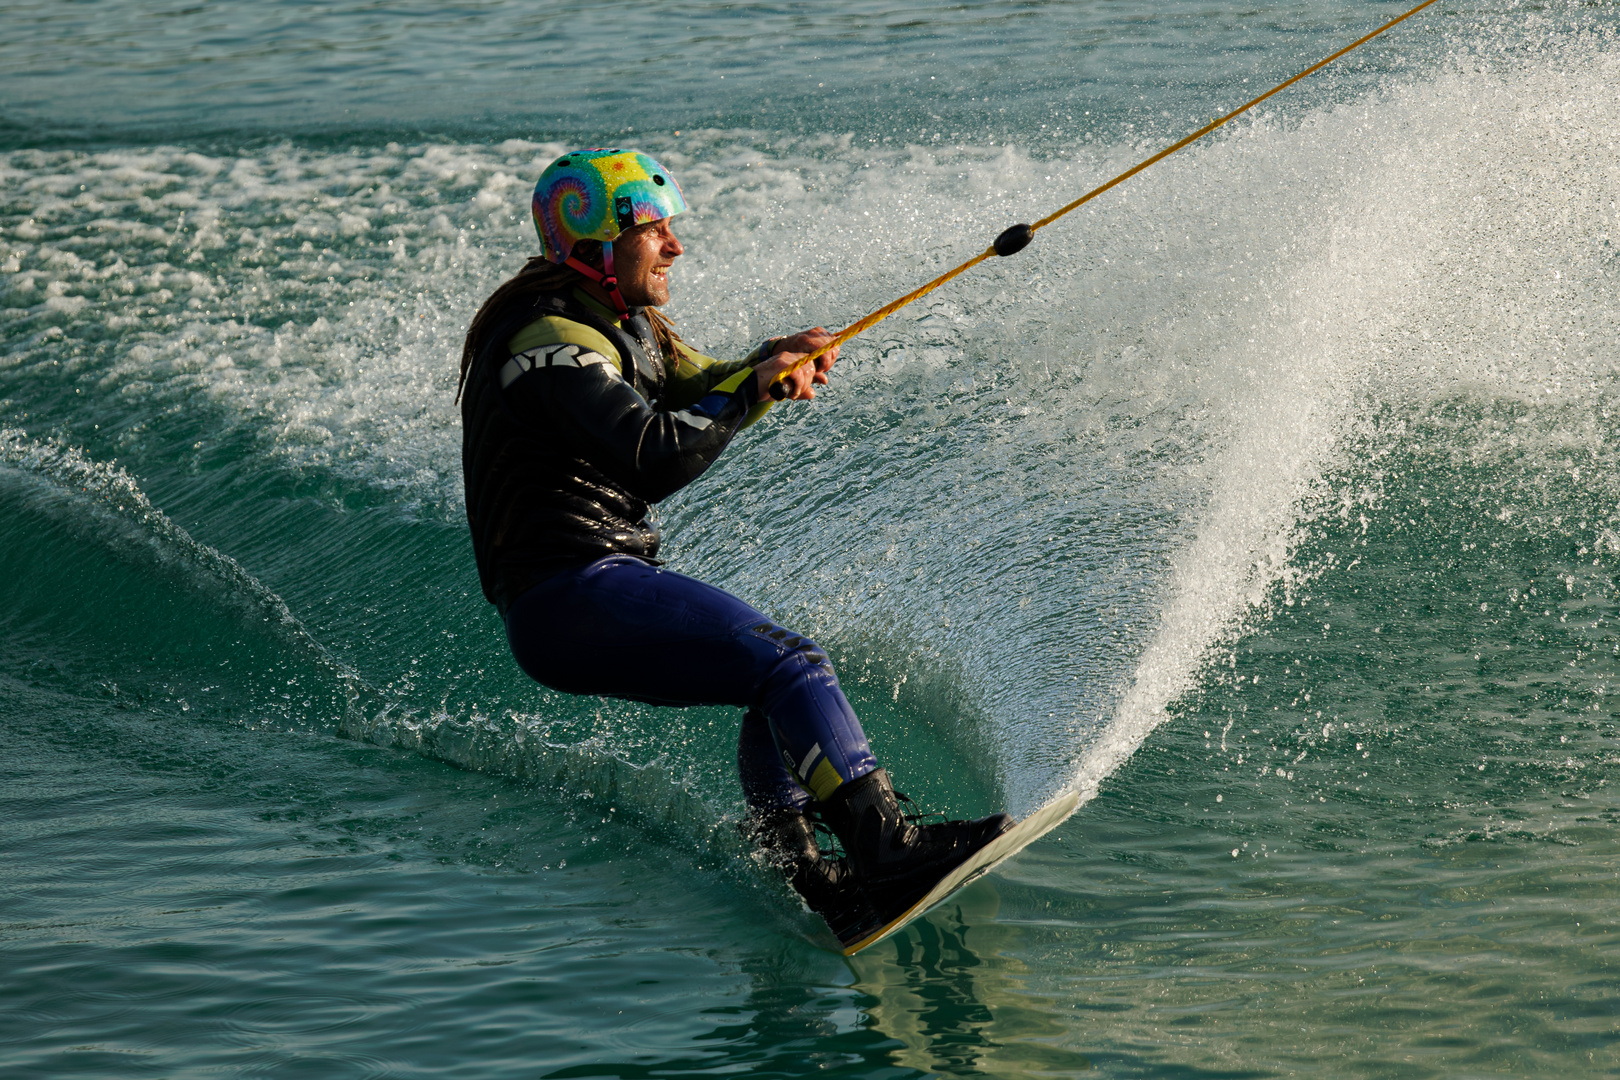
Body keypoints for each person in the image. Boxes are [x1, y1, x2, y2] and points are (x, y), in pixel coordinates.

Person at [456, 147, 1011, 946]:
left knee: (773, 689)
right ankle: (887, 847)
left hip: (590, 586)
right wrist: (752, 388)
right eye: (654, 233)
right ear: (594, 247)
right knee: (793, 663)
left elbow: (701, 387)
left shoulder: (628, 325)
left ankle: (818, 882)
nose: (675, 247)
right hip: (567, 593)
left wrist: (766, 365)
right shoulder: (546, 340)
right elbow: (653, 454)